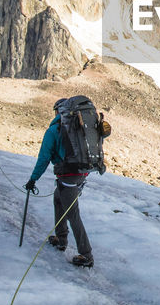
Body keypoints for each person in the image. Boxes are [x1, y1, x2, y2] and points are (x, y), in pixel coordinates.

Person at [24, 96, 108, 268]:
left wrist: (33, 179)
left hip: (68, 175)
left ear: (58, 111)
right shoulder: (79, 127)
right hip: (81, 172)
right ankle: (61, 238)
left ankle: (87, 255)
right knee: (58, 199)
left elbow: (44, 158)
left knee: (72, 214)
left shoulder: (54, 130)